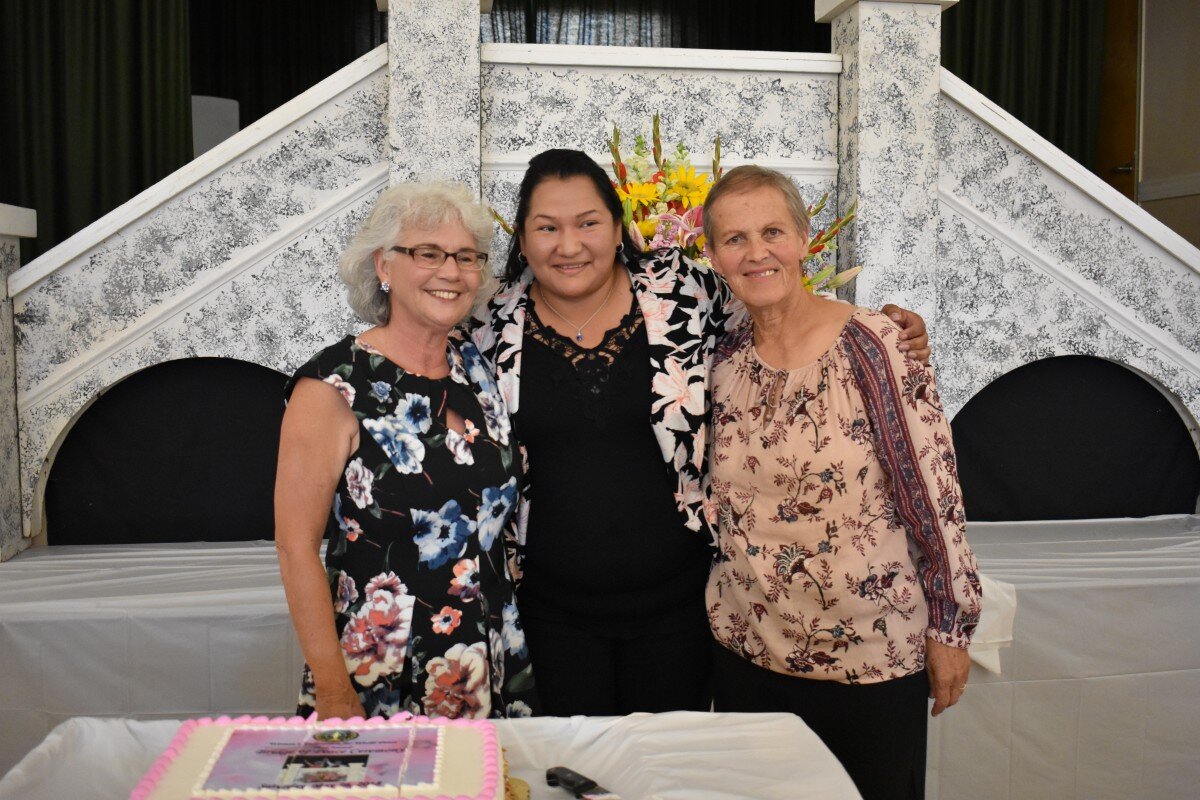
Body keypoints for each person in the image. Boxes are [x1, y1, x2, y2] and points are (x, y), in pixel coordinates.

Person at [469, 148, 933, 716]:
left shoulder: (684, 290)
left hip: (679, 609)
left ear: (618, 227)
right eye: (547, 227)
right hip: (549, 612)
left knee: (672, 774)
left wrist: (881, 331)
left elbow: (778, 315)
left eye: (588, 223)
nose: (569, 245)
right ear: (521, 238)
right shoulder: (486, 324)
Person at [701, 165, 982, 799]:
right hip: (749, 654)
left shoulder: (876, 345)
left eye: (773, 231)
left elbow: (933, 492)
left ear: (804, 239)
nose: (756, 252)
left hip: (870, 658)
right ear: (714, 255)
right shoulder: (721, 357)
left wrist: (950, 626)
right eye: (735, 238)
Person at [275, 182, 537, 721]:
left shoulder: (474, 366)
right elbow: (295, 547)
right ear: (384, 267)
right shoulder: (331, 386)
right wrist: (331, 688)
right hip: (383, 664)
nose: (452, 271)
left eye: (466, 256)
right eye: (428, 253)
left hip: (486, 652)